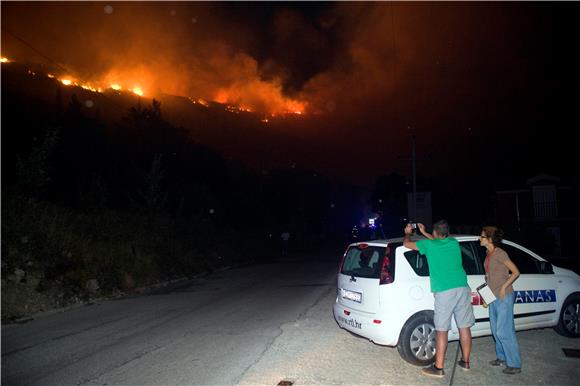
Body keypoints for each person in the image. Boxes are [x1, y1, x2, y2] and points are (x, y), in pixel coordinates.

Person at [403, 220, 475, 378]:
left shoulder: (429, 246)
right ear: (447, 233)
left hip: (445, 290)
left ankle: (439, 367)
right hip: (462, 287)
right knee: (464, 327)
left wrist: (408, 232)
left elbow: (407, 244)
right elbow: (437, 240)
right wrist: (425, 233)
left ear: (435, 233)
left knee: (441, 330)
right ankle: (466, 362)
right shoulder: (453, 243)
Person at [480, 226, 522, 375]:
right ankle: (502, 357)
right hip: (493, 297)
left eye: (482, 236)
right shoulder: (488, 253)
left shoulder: (500, 253)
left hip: (504, 296)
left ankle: (515, 364)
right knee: (495, 330)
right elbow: (490, 276)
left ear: (490, 239)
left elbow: (516, 272)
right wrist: (487, 295)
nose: (480, 238)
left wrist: (504, 287)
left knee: (504, 331)